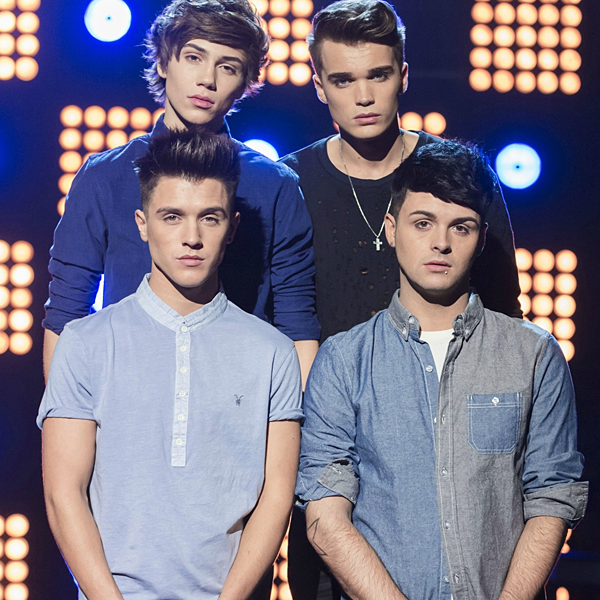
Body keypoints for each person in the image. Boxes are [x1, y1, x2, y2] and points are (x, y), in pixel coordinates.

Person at [296, 140, 588, 600]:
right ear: (392, 229)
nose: (441, 243)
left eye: (461, 227)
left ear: (482, 238)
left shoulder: (533, 354)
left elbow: (552, 495)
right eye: (423, 223)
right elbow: (324, 515)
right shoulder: (343, 360)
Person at [38, 130, 303, 600]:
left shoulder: (272, 352)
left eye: (209, 218)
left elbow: (277, 497)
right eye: (172, 216)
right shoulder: (85, 344)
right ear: (142, 224)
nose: (192, 238)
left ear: (232, 227)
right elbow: (64, 495)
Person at [43, 0, 319, 386]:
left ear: (246, 82)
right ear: (163, 62)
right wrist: (67, 414)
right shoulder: (105, 176)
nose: (207, 79)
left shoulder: (274, 185)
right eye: (193, 57)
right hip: (126, 392)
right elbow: (66, 314)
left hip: (240, 395)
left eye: (228, 67)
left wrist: (291, 418)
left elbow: (297, 324)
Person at [280, 0, 521, 344]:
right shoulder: (290, 182)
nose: (364, 97)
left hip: (449, 373)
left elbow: (504, 309)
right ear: (320, 87)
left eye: (378, 75)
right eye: (343, 81)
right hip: (324, 376)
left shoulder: (462, 172)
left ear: (403, 77)